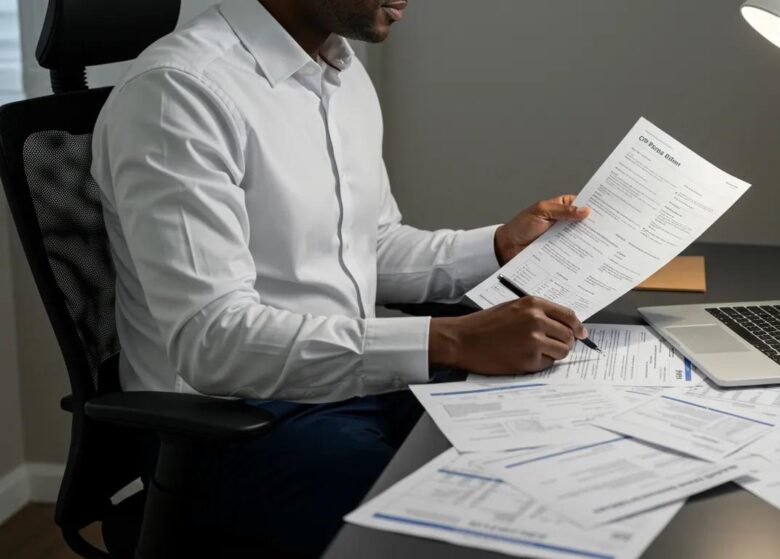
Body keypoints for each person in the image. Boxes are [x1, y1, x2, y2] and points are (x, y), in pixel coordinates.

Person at [91, 0, 590, 555]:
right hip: (229, 425)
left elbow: (367, 248)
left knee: (549, 456)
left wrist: (499, 247)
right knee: (477, 533)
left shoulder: (342, 73)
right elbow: (214, 340)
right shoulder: (178, 93)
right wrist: (450, 339)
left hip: (357, 387)